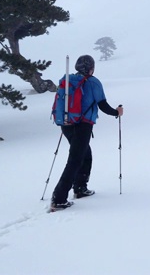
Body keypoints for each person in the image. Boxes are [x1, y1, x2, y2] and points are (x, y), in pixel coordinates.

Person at [50, 55, 123, 211]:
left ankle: (80, 187)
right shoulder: (93, 82)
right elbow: (102, 104)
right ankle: (59, 198)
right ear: (91, 68)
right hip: (82, 125)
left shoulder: (67, 79)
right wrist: (116, 112)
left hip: (66, 124)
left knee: (85, 154)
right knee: (75, 159)